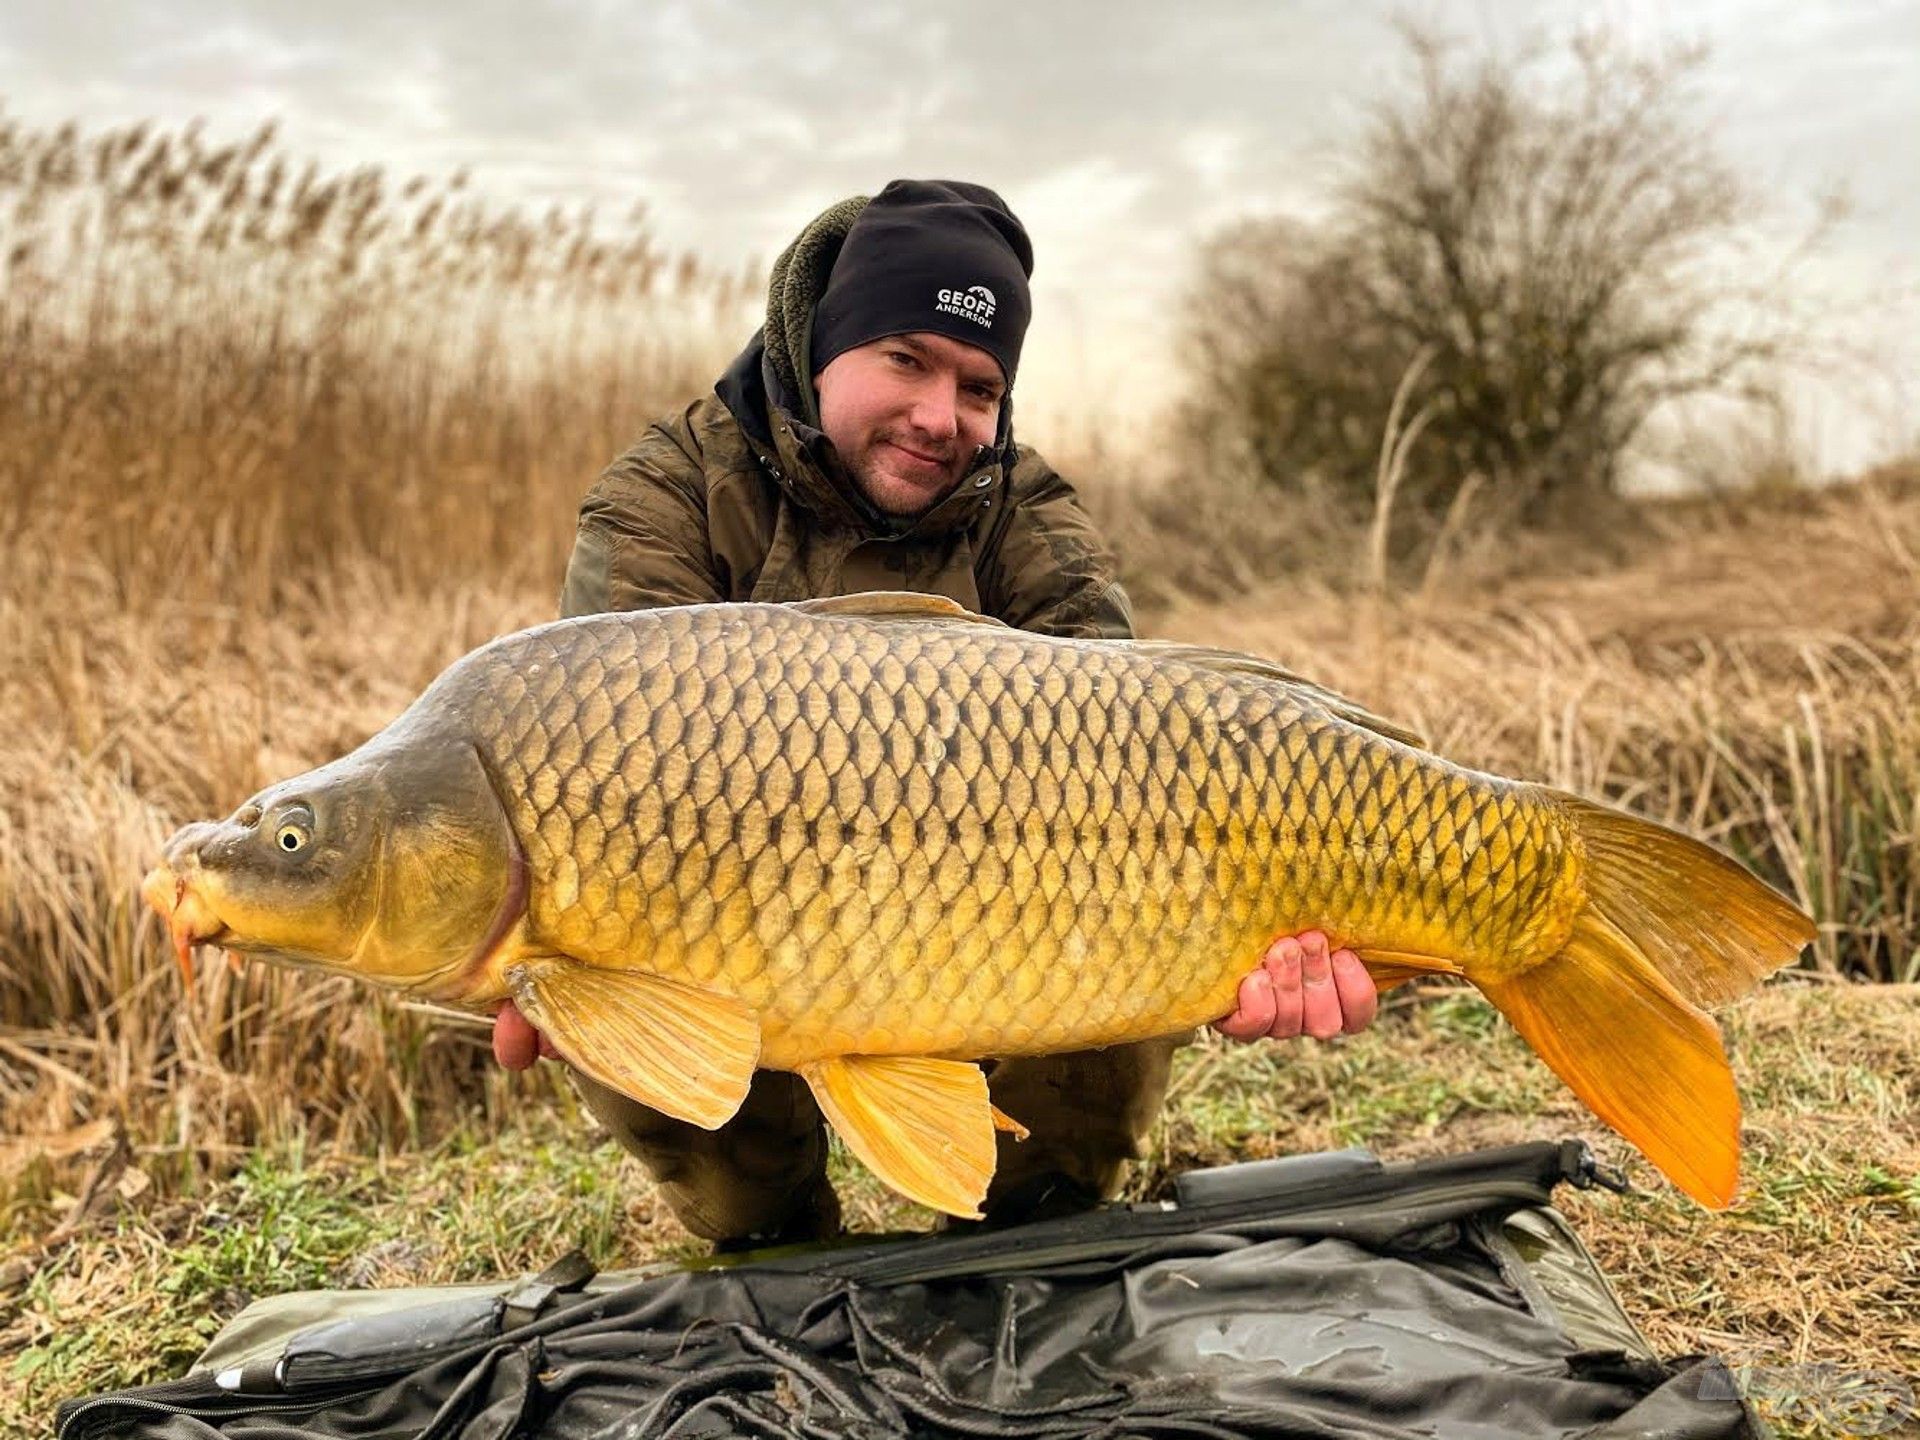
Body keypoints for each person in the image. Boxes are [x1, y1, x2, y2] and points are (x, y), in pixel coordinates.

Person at [493, 180, 1378, 1248]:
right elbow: (596, 767)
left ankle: (1032, 1241)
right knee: (660, 1050)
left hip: (992, 905)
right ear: (819, 343)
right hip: (735, 909)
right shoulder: (668, 496)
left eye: (978, 386)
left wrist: (1238, 948)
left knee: (1115, 949)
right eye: (904, 359)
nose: (937, 416)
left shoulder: (1031, 516)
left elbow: (1135, 766)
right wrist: (551, 951)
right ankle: (779, 1250)